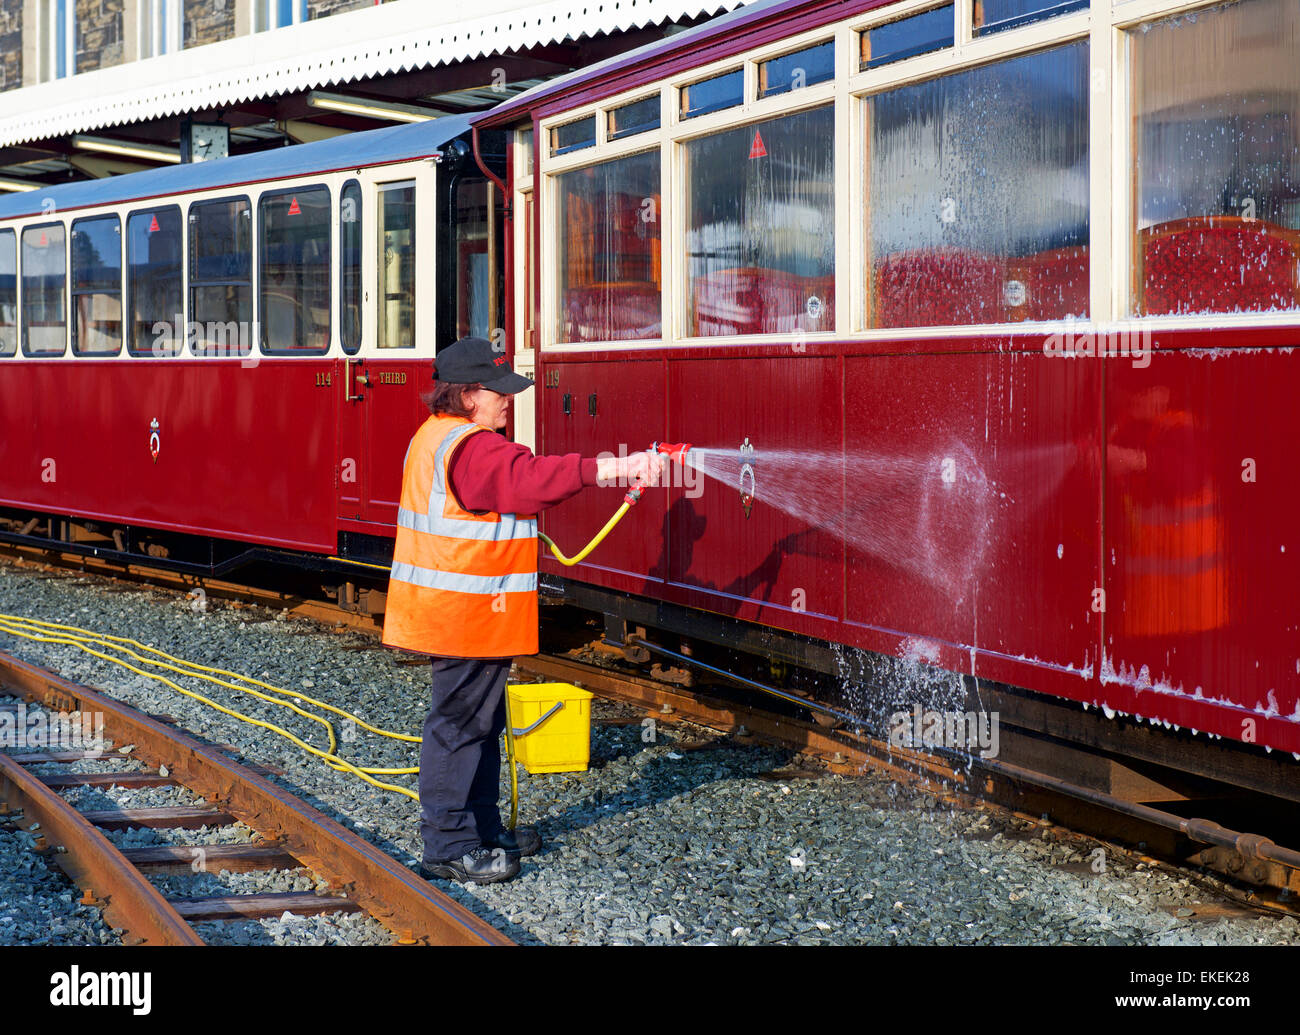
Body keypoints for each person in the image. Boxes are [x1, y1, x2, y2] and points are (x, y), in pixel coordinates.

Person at [382, 335, 664, 884]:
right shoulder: (474, 447)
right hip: (466, 615)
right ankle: (448, 846)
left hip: (467, 613)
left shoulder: (438, 437)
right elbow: (530, 480)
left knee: (480, 725)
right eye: (500, 392)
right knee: (461, 727)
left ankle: (482, 832)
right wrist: (615, 468)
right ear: (468, 396)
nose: (509, 401)